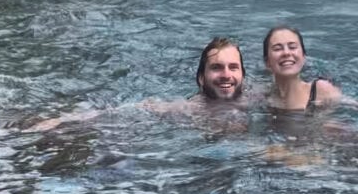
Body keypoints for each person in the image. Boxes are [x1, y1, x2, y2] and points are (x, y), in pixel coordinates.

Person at [28, 36, 247, 131]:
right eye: (216, 67)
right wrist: (63, 120)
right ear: (201, 78)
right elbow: (129, 111)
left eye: (233, 67)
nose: (226, 74)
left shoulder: (257, 96)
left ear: (243, 75)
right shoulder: (188, 109)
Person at [262, 25, 342, 111]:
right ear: (267, 62)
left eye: (292, 47)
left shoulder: (322, 91)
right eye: (277, 49)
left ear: (303, 57)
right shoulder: (263, 97)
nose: (286, 53)